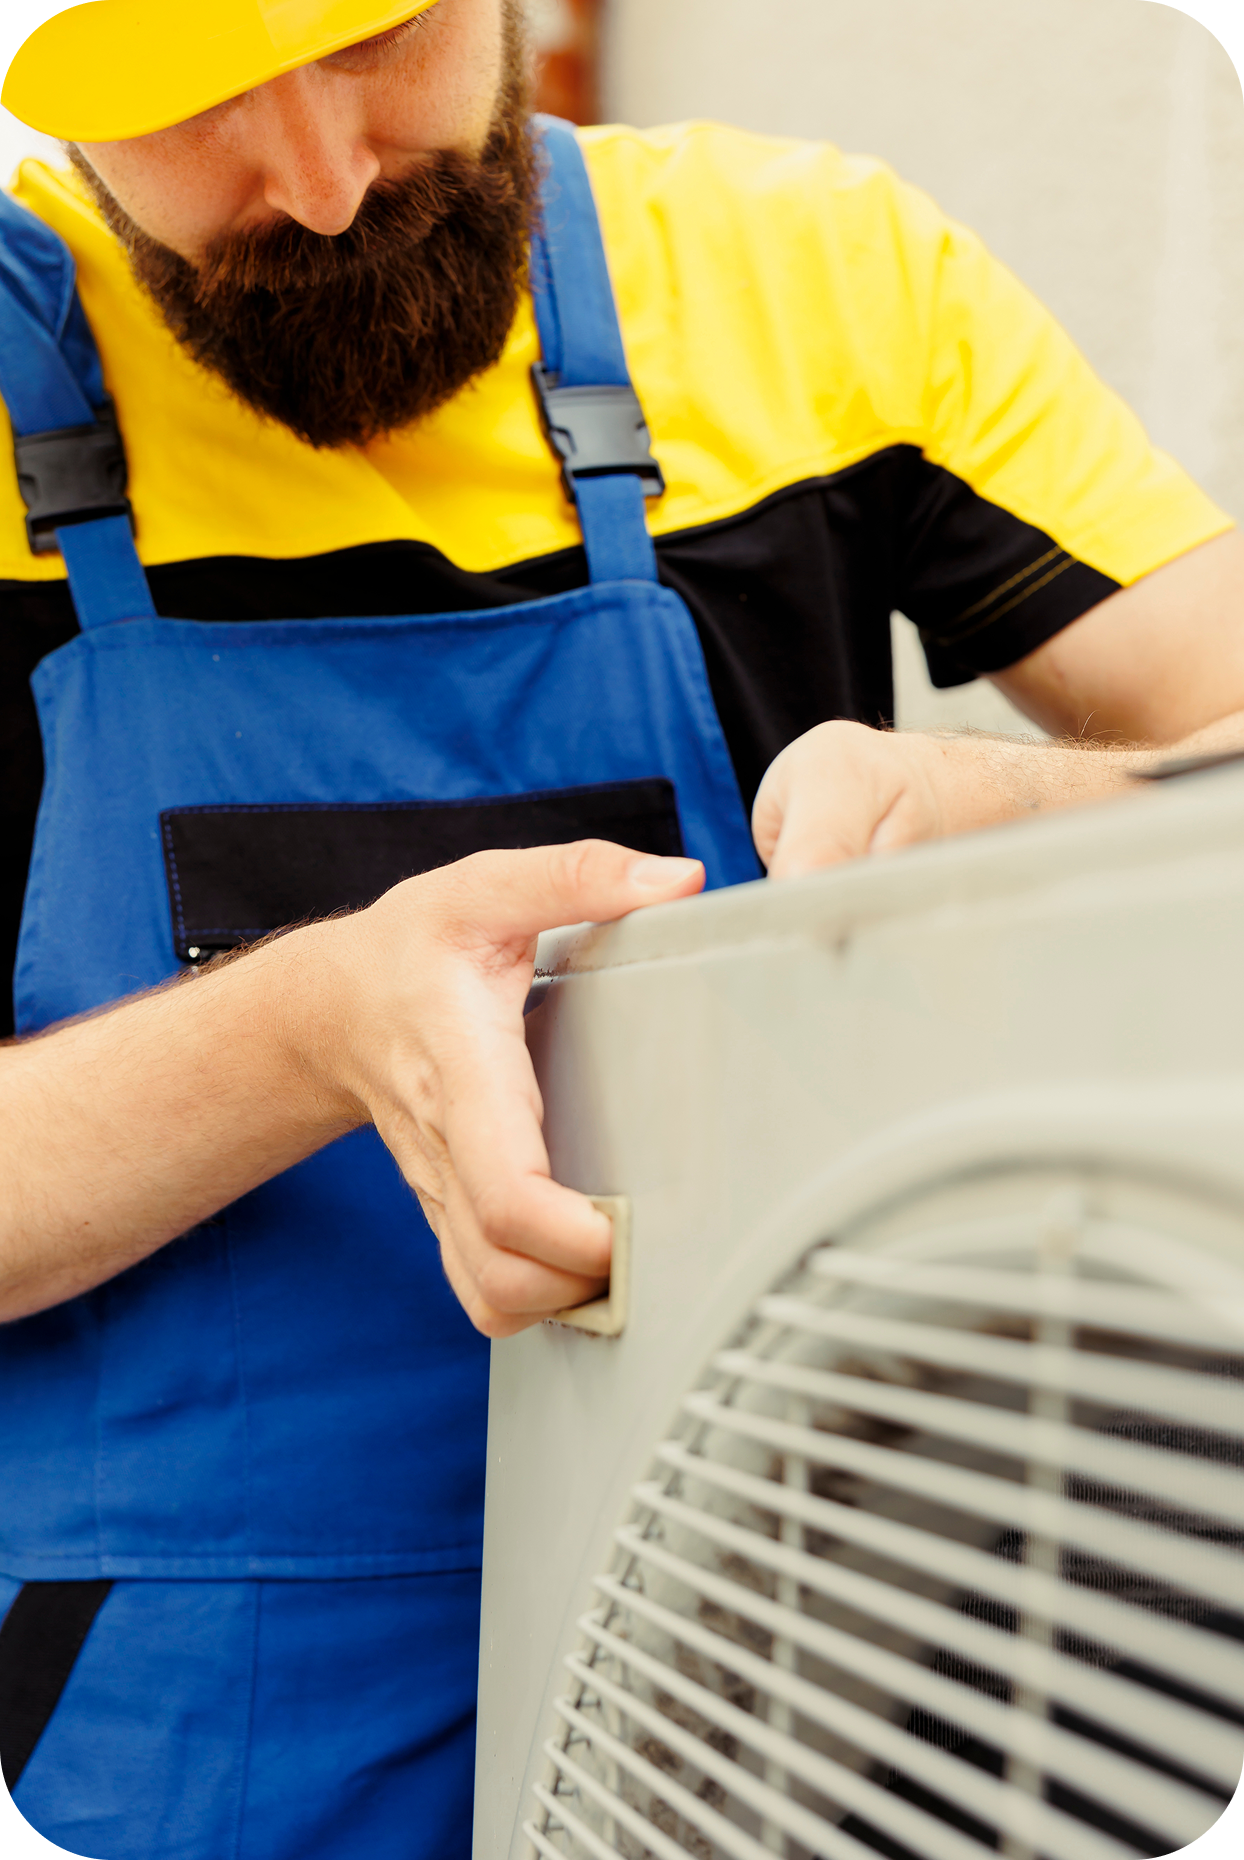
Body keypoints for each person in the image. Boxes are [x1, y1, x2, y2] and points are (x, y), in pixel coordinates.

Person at [0, 2, 1242, 1853]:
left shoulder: (820, 283)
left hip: (803, 1656)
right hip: (175, 1724)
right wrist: (314, 1024)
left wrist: (1051, 818)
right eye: (188, 112)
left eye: (385, 41)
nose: (326, 185)